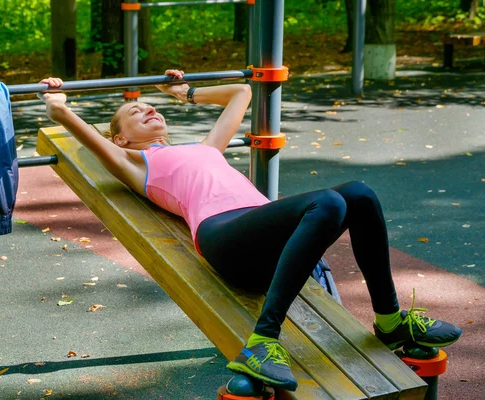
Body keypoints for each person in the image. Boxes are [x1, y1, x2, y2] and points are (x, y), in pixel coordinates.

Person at [38, 70, 462, 392]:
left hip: (263, 236)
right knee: (330, 202)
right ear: (121, 139)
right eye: (136, 112)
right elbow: (68, 121)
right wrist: (58, 101)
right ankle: (262, 341)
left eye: (152, 107)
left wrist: (184, 92)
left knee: (360, 193)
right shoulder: (134, 164)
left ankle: (390, 321)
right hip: (224, 238)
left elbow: (241, 92)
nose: (149, 110)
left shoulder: (204, 150)